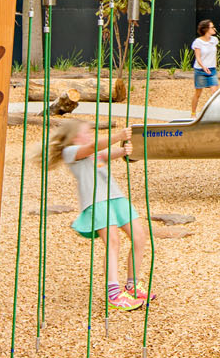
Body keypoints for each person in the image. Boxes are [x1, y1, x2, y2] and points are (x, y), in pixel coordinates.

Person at [42, 113, 145, 310]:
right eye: (85, 133)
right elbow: (92, 148)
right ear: (73, 137)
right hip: (96, 201)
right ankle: (114, 294)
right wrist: (117, 136)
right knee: (113, 241)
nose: (90, 135)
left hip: (115, 197)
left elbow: (103, 154)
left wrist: (124, 150)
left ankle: (132, 285)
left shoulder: (93, 153)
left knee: (139, 236)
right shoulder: (71, 152)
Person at [190, 19, 220, 116]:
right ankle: (193, 113)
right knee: (198, 93)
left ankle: (213, 113)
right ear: (206, 29)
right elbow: (198, 57)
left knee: (215, 92)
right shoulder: (198, 42)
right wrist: (203, 67)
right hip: (200, 70)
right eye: (212, 27)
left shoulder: (214, 40)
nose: (214, 29)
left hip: (212, 70)